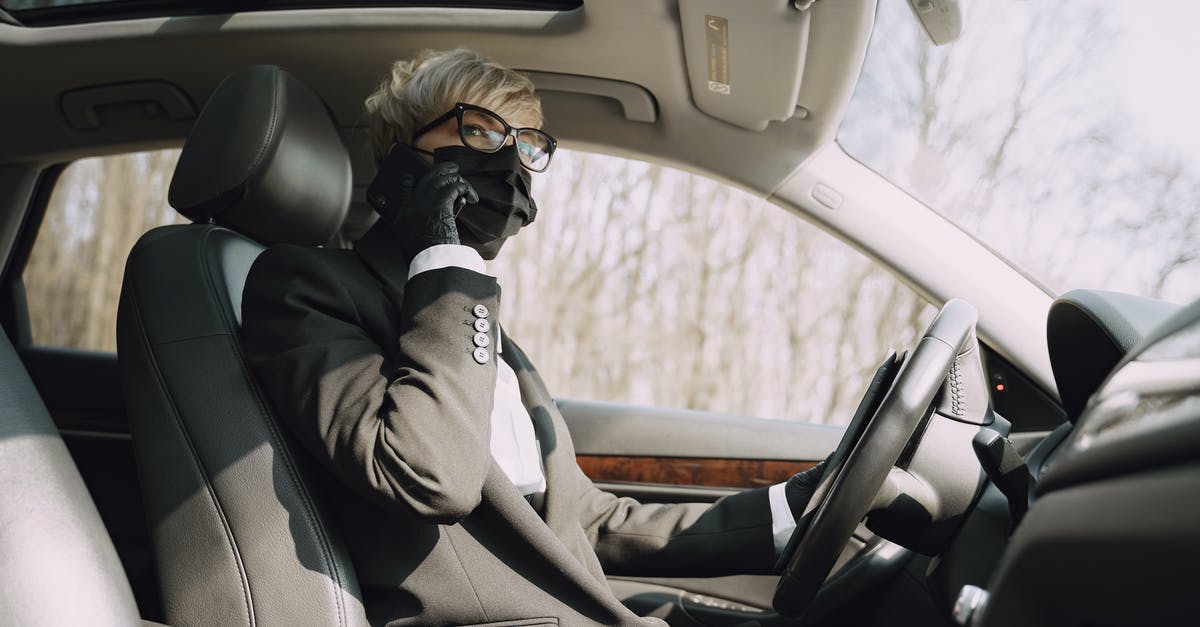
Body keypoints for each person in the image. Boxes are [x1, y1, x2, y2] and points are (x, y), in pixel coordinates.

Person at [241, 48, 827, 626]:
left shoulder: (477, 325)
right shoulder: (305, 287)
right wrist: (443, 258)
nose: (509, 165)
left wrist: (792, 509)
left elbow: (584, 522)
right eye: (478, 131)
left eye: (525, 145)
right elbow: (428, 477)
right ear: (403, 155)